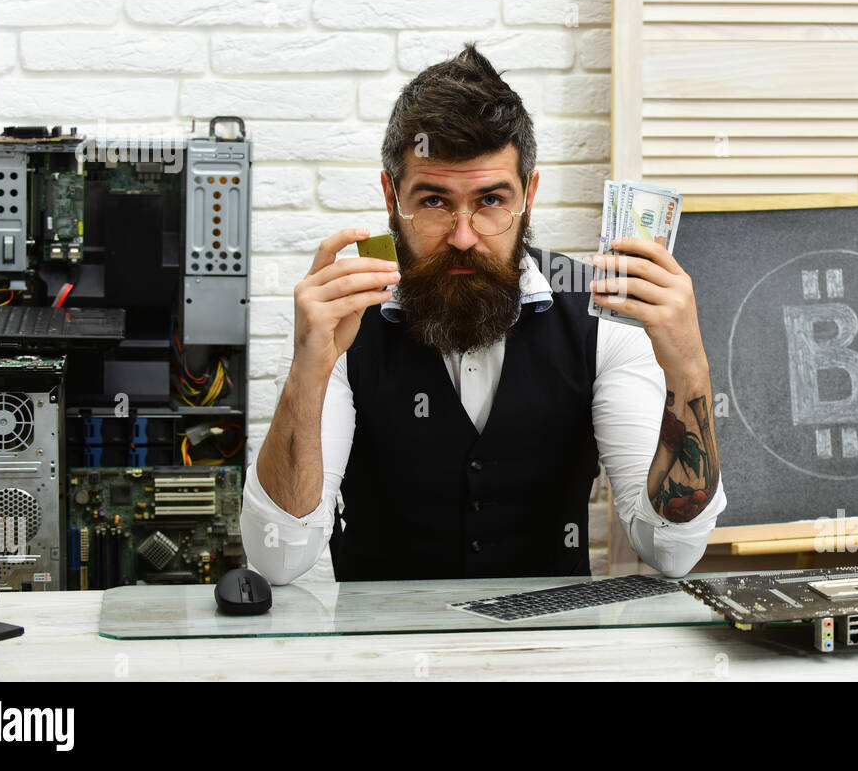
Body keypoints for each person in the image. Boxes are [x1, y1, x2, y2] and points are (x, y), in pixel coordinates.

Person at [241, 43, 726, 584]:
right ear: (390, 195)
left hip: (549, 654)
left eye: (491, 201)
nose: (464, 236)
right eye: (434, 202)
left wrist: (688, 369)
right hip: (380, 657)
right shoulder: (348, 320)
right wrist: (306, 372)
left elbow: (672, 551)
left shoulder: (603, 315)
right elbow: (278, 559)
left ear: (529, 194)